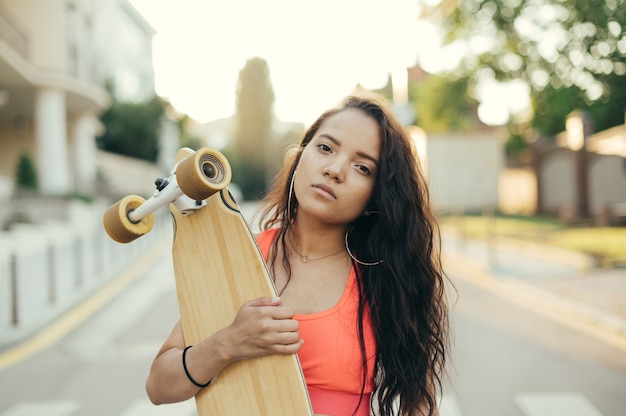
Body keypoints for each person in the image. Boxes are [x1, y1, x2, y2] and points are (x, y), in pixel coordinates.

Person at [145, 92, 450, 416]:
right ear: (300, 156)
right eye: (325, 148)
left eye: (362, 167)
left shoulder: (384, 278)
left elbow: (419, 401)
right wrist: (228, 343)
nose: (335, 169)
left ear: (376, 197)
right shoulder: (238, 256)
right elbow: (158, 386)